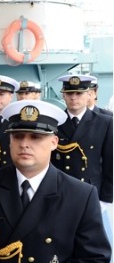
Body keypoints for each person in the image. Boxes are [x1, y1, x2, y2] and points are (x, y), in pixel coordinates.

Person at [0, 100, 111, 263]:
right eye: (17, 136)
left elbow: (92, 259)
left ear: (54, 142)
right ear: (9, 141)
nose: (25, 143)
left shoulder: (80, 194)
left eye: (36, 137)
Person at [51, 74, 113, 205]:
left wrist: (106, 199)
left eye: (79, 93)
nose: (73, 97)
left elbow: (109, 164)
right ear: (63, 96)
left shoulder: (105, 122)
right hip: (60, 191)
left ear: (88, 94)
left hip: (91, 192)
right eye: (69, 93)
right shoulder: (54, 123)